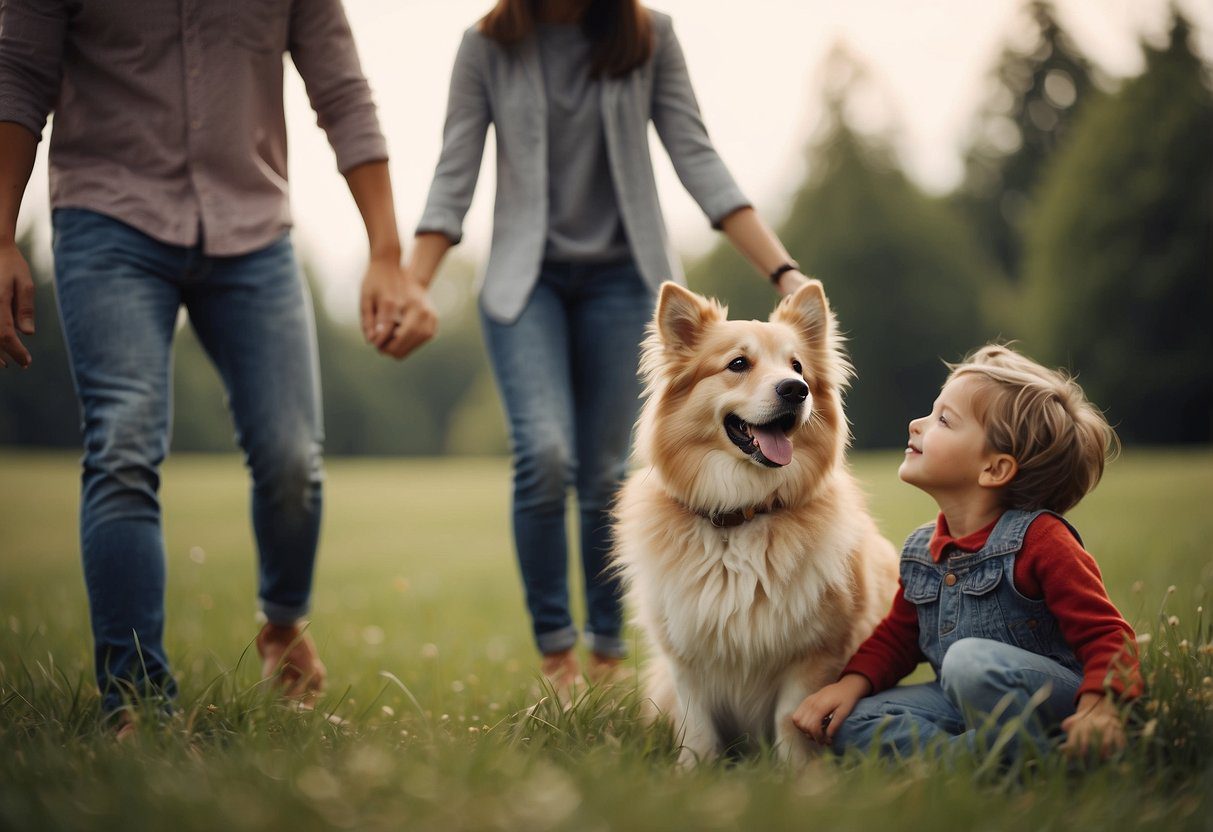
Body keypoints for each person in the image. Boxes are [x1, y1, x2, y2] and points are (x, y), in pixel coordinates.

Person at [0, 0, 435, 727]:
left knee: (292, 455)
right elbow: (18, 72)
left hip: (251, 227)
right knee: (124, 443)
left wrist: (387, 254)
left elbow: (343, 92)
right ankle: (137, 705)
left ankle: (283, 623)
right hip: (109, 219)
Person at [403, 0, 811, 690]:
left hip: (626, 283)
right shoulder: (486, 47)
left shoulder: (651, 37)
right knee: (544, 454)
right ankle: (557, 656)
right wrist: (412, 287)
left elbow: (698, 159)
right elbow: (453, 175)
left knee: (602, 470)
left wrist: (783, 271)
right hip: (523, 284)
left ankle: (606, 654)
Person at [792, 344, 1143, 761]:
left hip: (1051, 697)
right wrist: (848, 686)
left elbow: (1108, 636)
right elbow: (899, 639)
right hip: (956, 699)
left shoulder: (1041, 540)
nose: (917, 424)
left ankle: (1035, 747)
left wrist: (1099, 708)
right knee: (853, 723)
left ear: (994, 468)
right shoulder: (924, 549)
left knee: (968, 662)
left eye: (943, 419)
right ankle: (1015, 755)